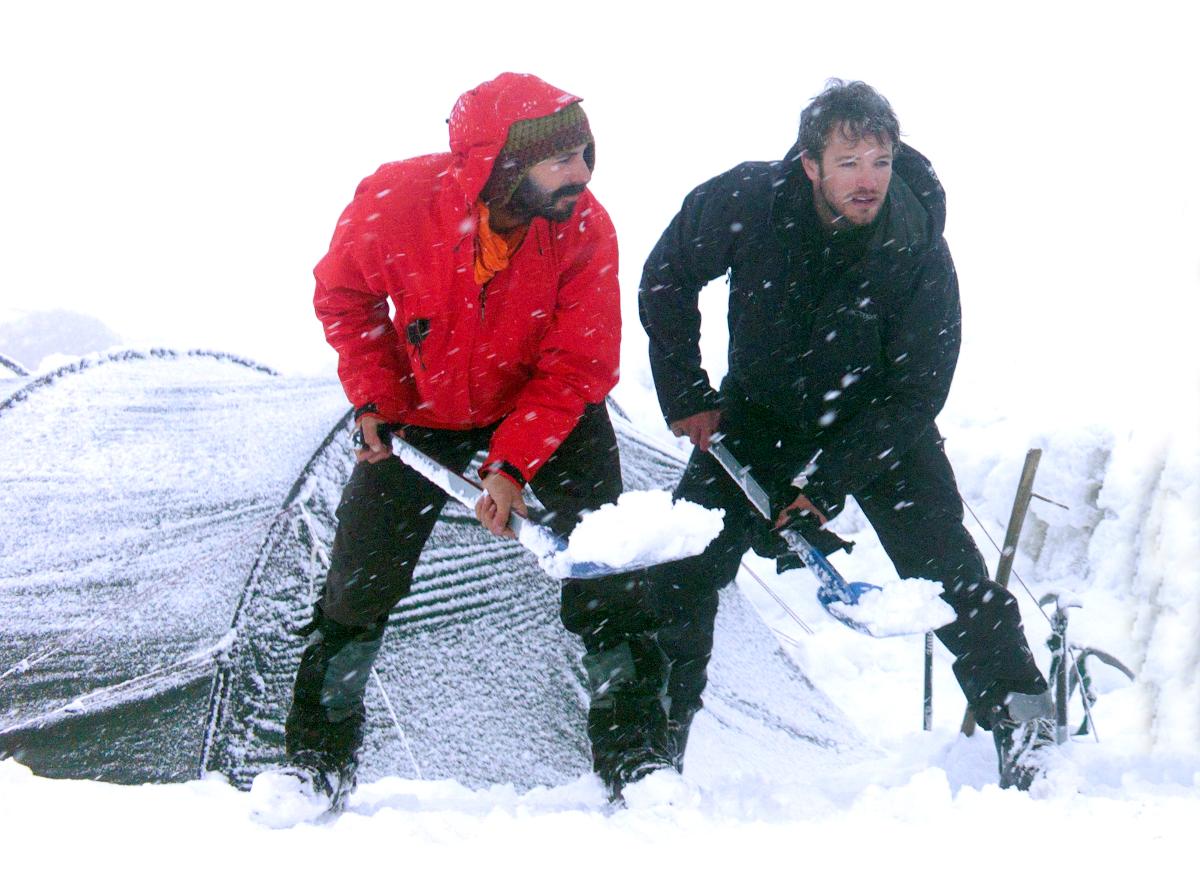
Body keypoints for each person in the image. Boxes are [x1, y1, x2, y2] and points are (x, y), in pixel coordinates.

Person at [638, 79, 1056, 791]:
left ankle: (1027, 722)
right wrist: (687, 394)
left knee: (945, 565)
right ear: (809, 165)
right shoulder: (746, 202)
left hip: (876, 424)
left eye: (881, 162)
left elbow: (918, 387)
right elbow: (666, 278)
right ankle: (653, 747)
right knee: (683, 568)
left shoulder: (916, 242)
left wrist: (828, 485)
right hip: (759, 415)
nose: (868, 181)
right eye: (849, 162)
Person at [285, 72, 670, 805]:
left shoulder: (585, 227)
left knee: (605, 573)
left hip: (545, 404)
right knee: (358, 584)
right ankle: (315, 763)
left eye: (586, 155)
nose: (581, 176)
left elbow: (579, 362)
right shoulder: (398, 204)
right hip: (424, 411)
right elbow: (343, 295)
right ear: (499, 160)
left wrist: (511, 465)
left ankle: (635, 759)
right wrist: (379, 398)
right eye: (561, 160)